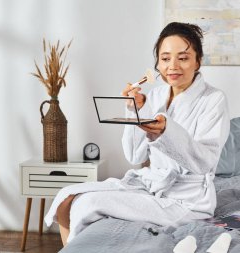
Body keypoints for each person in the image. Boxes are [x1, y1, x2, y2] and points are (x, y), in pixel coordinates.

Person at [44, 22, 230, 246]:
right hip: (149, 184)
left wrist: (166, 131)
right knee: (66, 197)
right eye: (165, 58)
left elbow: (205, 163)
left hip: (187, 199)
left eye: (183, 58)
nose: (173, 66)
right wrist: (135, 109)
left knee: (87, 203)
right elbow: (134, 156)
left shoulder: (213, 99)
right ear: (157, 63)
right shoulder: (156, 95)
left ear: (197, 61)